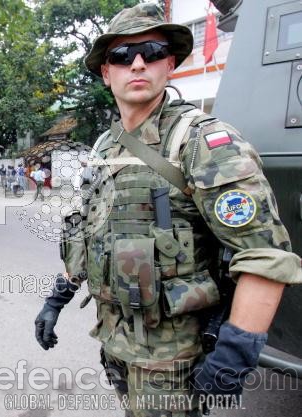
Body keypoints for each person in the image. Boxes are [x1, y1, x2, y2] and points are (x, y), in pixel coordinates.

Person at [34, 3, 302, 417]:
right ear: (107, 73)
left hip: (175, 360)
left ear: (170, 63)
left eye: (152, 51)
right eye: (122, 56)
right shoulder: (105, 147)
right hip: (117, 342)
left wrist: (235, 351)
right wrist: (58, 298)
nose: (137, 63)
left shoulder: (203, 142)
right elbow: (87, 235)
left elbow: (266, 256)